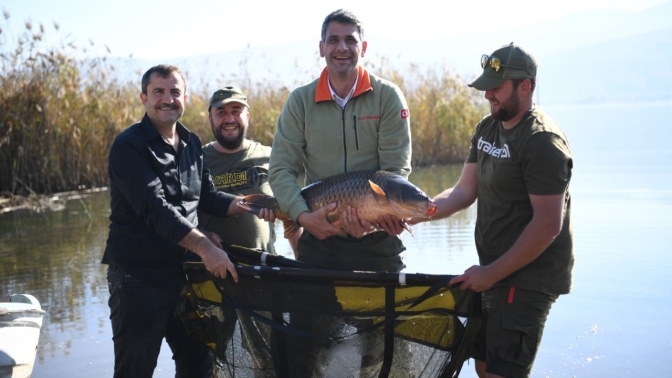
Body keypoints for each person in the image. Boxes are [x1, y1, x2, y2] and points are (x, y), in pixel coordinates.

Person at [102, 65, 272, 378]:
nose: (168, 99)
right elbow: (156, 209)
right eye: (159, 92)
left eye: (175, 92)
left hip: (186, 278)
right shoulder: (129, 146)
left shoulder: (192, 143)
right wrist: (206, 246)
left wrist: (250, 205)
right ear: (144, 98)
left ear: (185, 98)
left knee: (199, 363)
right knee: (135, 369)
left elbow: (206, 197)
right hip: (138, 279)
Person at [268, 9, 412, 376]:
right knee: (304, 343)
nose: (342, 47)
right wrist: (303, 218)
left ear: (363, 47)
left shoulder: (387, 97)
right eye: (334, 40)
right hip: (320, 237)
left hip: (377, 243)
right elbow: (281, 169)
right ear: (321, 48)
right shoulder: (300, 101)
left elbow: (396, 172)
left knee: (380, 349)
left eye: (350, 40)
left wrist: (376, 217)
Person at [423, 43, 574, 378]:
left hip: (530, 276)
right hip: (493, 272)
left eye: (496, 88)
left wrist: (490, 274)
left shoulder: (542, 142)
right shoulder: (487, 127)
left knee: (500, 374)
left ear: (525, 86)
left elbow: (548, 224)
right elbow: (463, 191)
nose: (487, 95)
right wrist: (419, 212)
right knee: (484, 367)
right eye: (485, 87)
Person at [199, 85, 300, 256]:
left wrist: (302, 263)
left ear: (247, 117)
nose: (229, 119)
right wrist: (201, 238)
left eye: (236, 111)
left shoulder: (270, 156)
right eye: (221, 112)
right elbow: (181, 217)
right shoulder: (196, 160)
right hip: (211, 270)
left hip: (265, 269)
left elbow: (292, 212)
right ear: (210, 119)